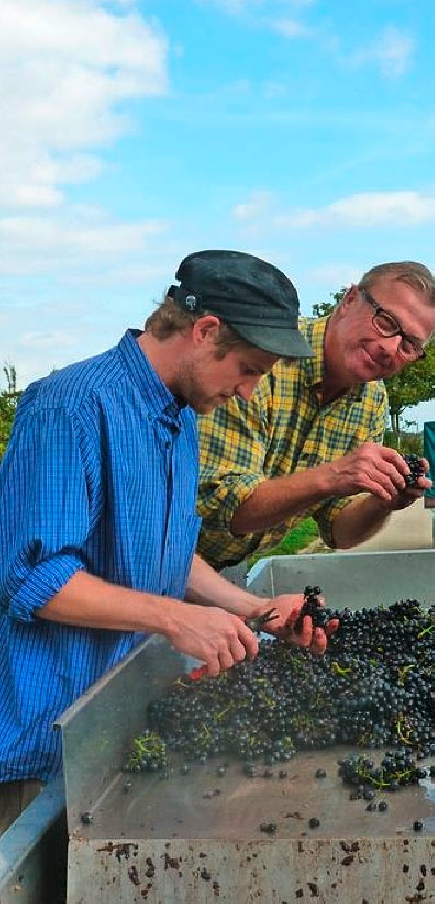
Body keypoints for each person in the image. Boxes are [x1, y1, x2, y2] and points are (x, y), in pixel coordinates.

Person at [0, 249, 333, 831]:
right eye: (250, 369)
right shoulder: (70, 406)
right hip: (46, 743)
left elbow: (167, 554)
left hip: (118, 722)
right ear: (205, 332)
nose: (249, 392)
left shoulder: (180, 419)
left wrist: (253, 610)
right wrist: (175, 620)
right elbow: (31, 578)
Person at [197, 261, 435, 571]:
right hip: (154, 555)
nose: (390, 347)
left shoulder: (371, 400)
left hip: (221, 570)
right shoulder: (267, 356)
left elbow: (339, 531)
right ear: (350, 300)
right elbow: (225, 510)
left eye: (409, 345)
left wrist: (383, 503)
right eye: (386, 322)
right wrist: (335, 475)